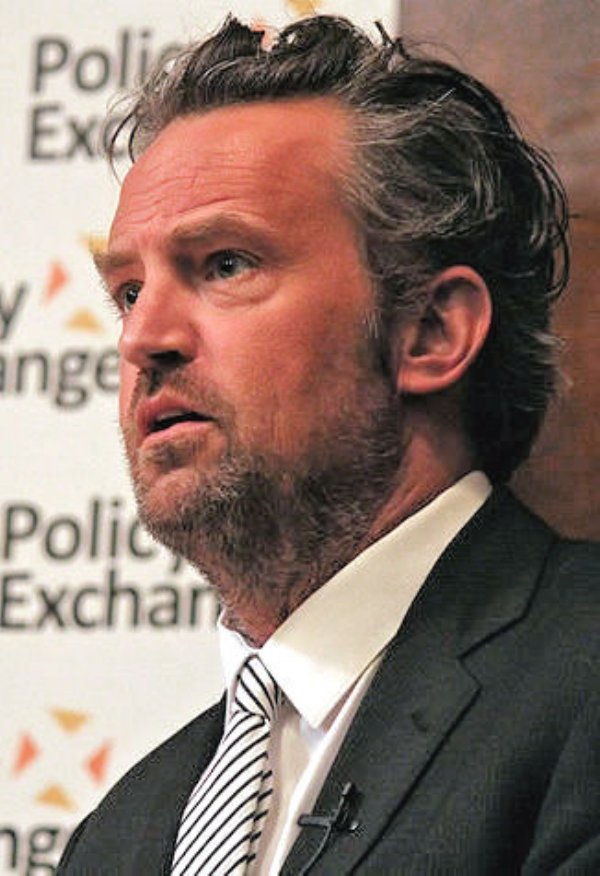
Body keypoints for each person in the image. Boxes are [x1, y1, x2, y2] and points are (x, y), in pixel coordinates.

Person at [57, 14, 599, 875]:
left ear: (430, 332)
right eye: (127, 291)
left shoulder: (582, 683)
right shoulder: (118, 838)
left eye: (225, 264)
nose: (142, 338)